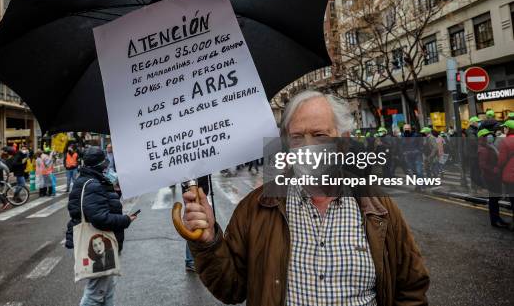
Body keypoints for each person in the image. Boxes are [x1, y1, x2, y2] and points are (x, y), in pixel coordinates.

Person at [183, 89, 429, 306]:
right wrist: (208, 243)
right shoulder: (256, 208)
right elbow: (230, 289)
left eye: (320, 135)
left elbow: (410, 289)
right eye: (297, 137)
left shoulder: (379, 208)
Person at [65, 146, 136, 306]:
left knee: (107, 290)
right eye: (105, 162)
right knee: (95, 294)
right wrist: (125, 220)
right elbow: (99, 218)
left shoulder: (92, 180)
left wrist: (114, 190)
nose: (107, 165)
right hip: (98, 244)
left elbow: (101, 205)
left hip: (102, 244)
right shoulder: (93, 184)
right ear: (99, 165)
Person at [477, 129, 507, 228]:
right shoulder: (483, 149)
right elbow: (482, 165)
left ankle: (497, 218)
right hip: (490, 177)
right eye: (487, 135)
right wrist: (494, 169)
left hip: (494, 176)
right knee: (493, 200)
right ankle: (495, 220)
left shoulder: (489, 146)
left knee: (495, 199)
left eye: (490, 135)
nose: (490, 136)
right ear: (482, 138)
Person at [496, 120, 514, 231]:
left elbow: (501, 160)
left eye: (505, 127)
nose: (504, 129)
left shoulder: (505, 141)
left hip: (510, 176)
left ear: (509, 129)